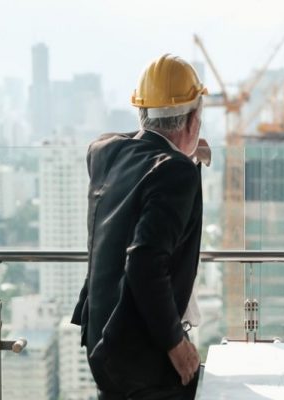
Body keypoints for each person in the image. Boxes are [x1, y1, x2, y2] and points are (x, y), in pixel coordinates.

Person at [71, 53, 210, 400]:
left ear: (141, 113)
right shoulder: (175, 174)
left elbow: (145, 157)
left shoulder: (105, 153)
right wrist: (176, 343)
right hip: (144, 358)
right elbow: (146, 261)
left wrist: (187, 155)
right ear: (193, 121)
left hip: (105, 343)